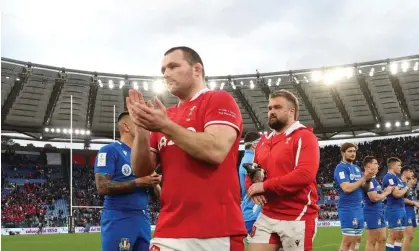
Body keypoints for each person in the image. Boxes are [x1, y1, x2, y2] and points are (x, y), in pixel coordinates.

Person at [127, 46, 247, 251]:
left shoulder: (218, 99)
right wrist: (141, 131)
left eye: (173, 66)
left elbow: (215, 151)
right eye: (163, 69)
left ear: (197, 69)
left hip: (215, 231)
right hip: (168, 229)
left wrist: (164, 126)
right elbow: (142, 171)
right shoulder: (166, 115)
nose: (166, 74)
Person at [245, 90, 320, 251]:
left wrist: (264, 187)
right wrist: (252, 189)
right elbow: (252, 170)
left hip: (297, 215)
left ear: (291, 111)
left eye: (277, 107)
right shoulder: (264, 142)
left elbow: (305, 175)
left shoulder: (304, 137)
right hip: (267, 213)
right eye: (270, 108)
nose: (271, 111)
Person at [94, 111, 162, 251]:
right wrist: (137, 183)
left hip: (143, 218)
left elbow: (160, 195)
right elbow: (102, 186)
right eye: (139, 123)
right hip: (119, 217)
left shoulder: (144, 156)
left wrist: (155, 184)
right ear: (126, 127)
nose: (144, 128)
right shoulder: (109, 151)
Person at [333, 143, 375, 251]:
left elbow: (365, 188)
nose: (353, 153)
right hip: (348, 208)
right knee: (348, 240)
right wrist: (363, 178)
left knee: (357, 240)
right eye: (350, 151)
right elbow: (346, 188)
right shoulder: (340, 168)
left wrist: (368, 178)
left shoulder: (356, 168)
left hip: (358, 208)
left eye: (354, 151)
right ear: (343, 153)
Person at [362, 156, 394, 251]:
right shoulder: (367, 180)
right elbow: (374, 198)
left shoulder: (374, 180)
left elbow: (378, 195)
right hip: (372, 212)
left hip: (379, 211)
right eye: (375, 163)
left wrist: (383, 192)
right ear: (368, 166)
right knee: (372, 241)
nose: (378, 165)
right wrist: (387, 192)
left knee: (382, 239)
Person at [382, 158, 412, 251]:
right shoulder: (389, 177)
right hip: (393, 209)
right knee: (393, 235)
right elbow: (397, 194)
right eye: (398, 165)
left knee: (399, 235)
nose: (400, 167)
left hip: (401, 209)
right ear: (392, 166)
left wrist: (407, 185)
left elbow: (405, 194)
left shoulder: (397, 179)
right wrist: (406, 187)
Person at [238, 132, 262, 238]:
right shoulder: (252, 161)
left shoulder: (245, 159)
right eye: (261, 143)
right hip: (254, 212)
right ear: (254, 145)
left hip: (248, 210)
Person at [402, 169, 418, 251]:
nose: (412, 174)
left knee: (410, 236)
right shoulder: (402, 184)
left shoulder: (410, 186)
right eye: (411, 172)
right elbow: (402, 199)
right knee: (408, 236)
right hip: (405, 211)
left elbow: (409, 197)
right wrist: (414, 203)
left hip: (411, 211)